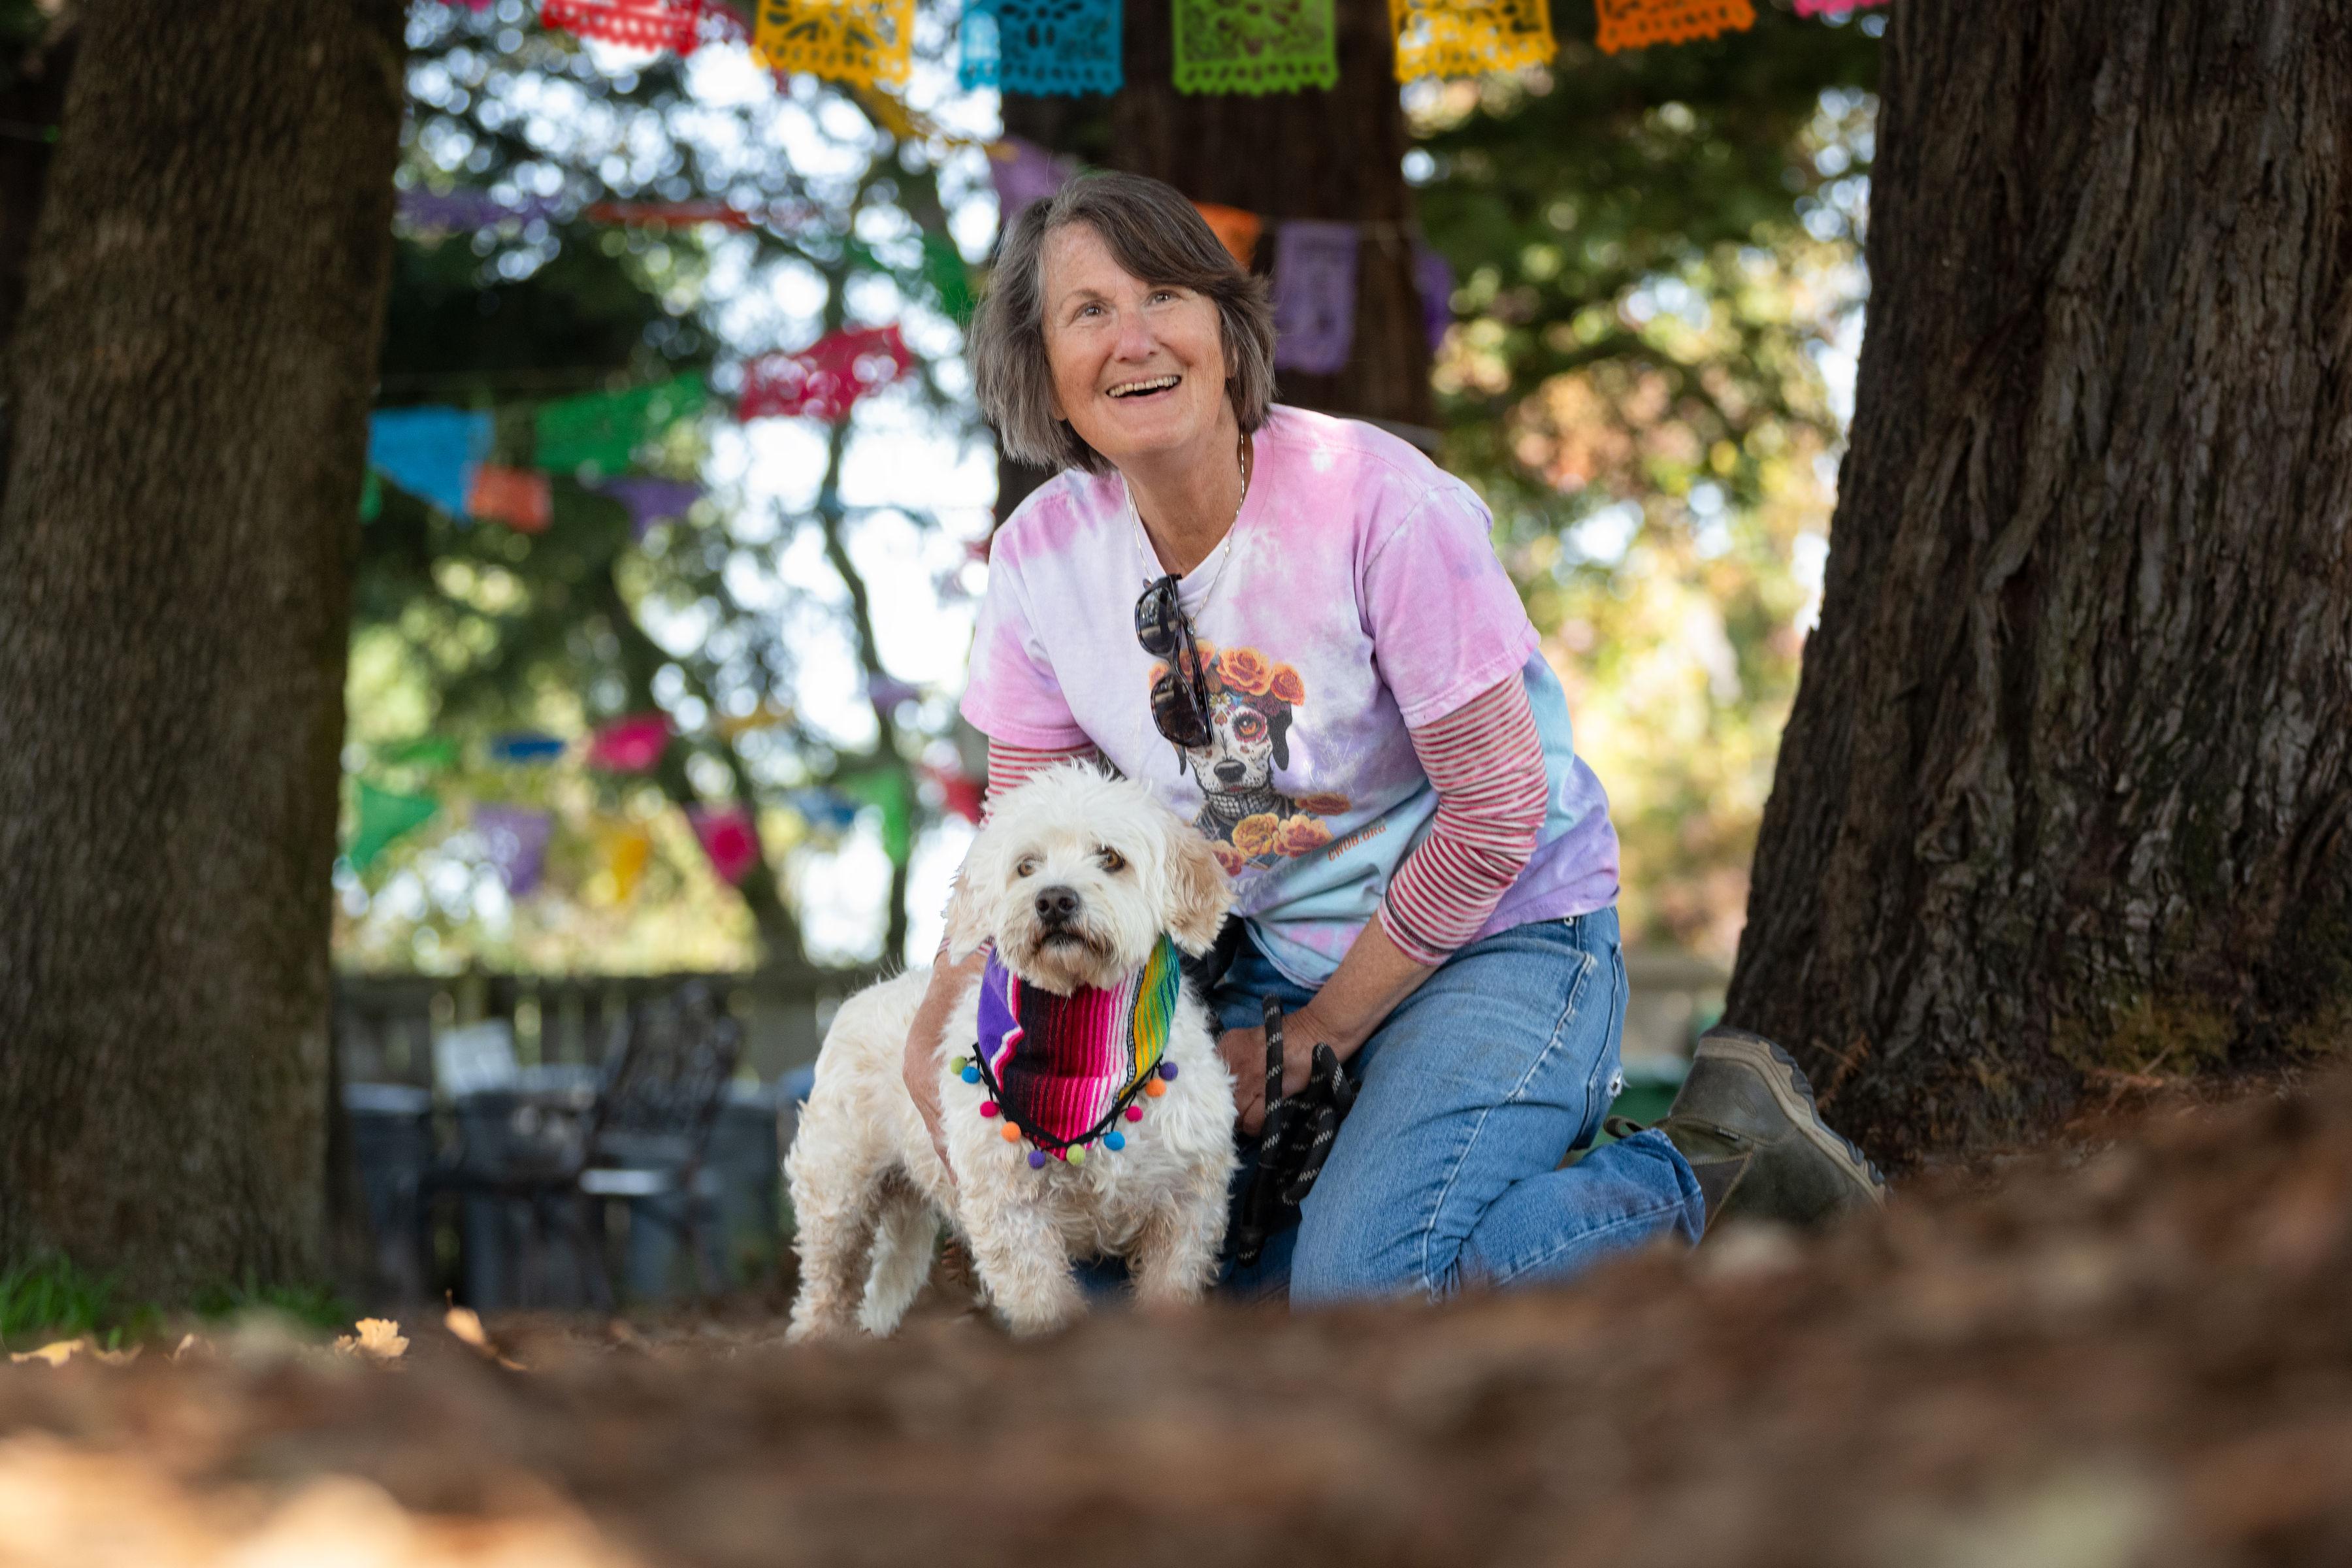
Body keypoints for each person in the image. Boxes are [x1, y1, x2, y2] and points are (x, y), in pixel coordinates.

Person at [901, 171, 1883, 1307]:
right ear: (1042, 371)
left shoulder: (1378, 502)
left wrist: (1320, 1031)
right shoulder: (1039, 559)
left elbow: (1500, 809)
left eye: (1164, 294)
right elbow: (1024, 834)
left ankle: (1720, 1173)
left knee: (1367, 1292)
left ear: (1225, 325)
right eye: (1089, 311)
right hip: (1269, 954)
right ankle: (1410, 1207)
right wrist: (943, 1022)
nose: (1135, 338)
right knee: (1121, 1284)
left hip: (1508, 934)